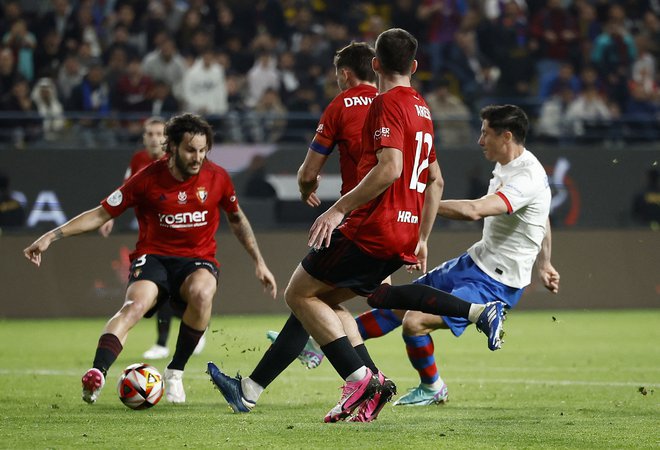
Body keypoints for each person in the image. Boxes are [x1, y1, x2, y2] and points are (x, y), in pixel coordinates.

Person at [208, 28, 503, 423]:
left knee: (299, 294)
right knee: (334, 301)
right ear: (414, 67)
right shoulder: (423, 108)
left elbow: (387, 167)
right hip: (402, 228)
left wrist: (336, 209)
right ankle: (262, 390)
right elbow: (436, 180)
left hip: (370, 225)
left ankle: (359, 378)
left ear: (375, 65)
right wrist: (422, 236)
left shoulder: (378, 103)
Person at [24, 113, 277, 405]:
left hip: (197, 259)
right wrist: (51, 236)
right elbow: (100, 213)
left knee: (202, 292)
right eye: (190, 150)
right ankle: (98, 373)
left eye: (203, 150)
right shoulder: (146, 179)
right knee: (134, 306)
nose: (198, 158)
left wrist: (259, 261)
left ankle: (175, 371)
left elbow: (236, 219)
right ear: (172, 147)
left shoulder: (217, 177)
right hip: (153, 257)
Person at [360, 104, 560, 406]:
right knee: (401, 301)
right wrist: (544, 263)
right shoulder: (509, 165)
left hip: (496, 284)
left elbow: (474, 210)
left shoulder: (527, 176)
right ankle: (322, 342)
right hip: (474, 261)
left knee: (414, 322)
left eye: (485, 133)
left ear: (506, 136)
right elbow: (541, 216)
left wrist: (421, 202)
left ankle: (433, 386)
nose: (479, 141)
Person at [265, 41, 380, 369]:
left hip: (362, 220)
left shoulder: (341, 105)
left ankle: (365, 379)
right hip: (402, 217)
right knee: (325, 298)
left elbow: (308, 171)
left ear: (345, 74)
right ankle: (253, 387)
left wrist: (306, 188)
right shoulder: (396, 102)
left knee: (303, 295)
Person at [99, 117, 207, 361]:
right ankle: (186, 328)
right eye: (149, 133)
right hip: (153, 237)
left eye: (159, 133)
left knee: (169, 291)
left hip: (182, 238)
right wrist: (109, 215)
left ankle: (177, 334)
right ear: (144, 137)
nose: (155, 138)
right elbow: (125, 190)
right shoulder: (138, 160)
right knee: (158, 293)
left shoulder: (177, 161)